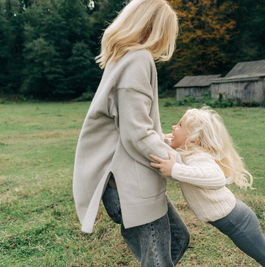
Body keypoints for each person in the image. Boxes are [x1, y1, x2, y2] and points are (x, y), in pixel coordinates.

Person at [72, 0, 189, 266]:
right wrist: (180, 164)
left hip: (129, 179)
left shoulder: (122, 59)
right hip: (126, 185)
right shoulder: (137, 59)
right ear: (155, 28)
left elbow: (128, 126)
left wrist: (163, 141)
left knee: (178, 239)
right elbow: (136, 135)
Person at [150, 107, 265, 267]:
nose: (174, 127)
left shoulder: (199, 157)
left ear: (194, 139)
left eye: (180, 125)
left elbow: (216, 178)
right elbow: (168, 144)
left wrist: (175, 169)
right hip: (237, 218)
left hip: (238, 222)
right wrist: (161, 140)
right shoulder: (189, 152)